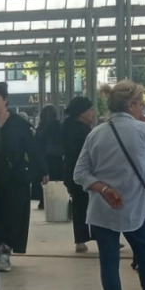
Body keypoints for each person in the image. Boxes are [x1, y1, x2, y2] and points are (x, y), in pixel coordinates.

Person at [72, 80, 145, 290]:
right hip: (135, 208)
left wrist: (104, 189)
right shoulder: (142, 130)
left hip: (102, 209)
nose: (143, 108)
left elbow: (79, 173)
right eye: (141, 104)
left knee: (109, 263)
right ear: (131, 105)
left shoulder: (95, 133)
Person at [0, 83, 40, 273]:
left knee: (12, 215)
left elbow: (32, 148)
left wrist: (40, 171)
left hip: (15, 177)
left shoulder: (18, 123)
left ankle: (5, 251)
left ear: (5, 100)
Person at [62, 96, 95, 253]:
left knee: (79, 205)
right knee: (92, 205)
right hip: (85, 172)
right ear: (82, 112)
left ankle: (81, 240)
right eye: (90, 110)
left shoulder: (66, 126)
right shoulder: (84, 131)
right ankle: (102, 236)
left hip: (70, 171)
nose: (92, 113)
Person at [34, 105, 62, 210]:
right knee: (56, 180)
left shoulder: (41, 129)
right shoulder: (59, 126)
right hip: (57, 158)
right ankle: (56, 200)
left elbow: (37, 145)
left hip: (44, 158)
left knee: (45, 181)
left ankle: (43, 201)